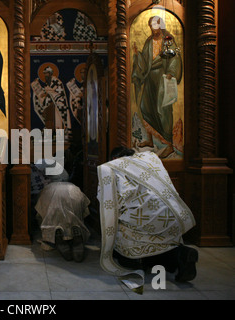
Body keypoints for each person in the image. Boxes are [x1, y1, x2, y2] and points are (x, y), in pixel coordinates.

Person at [97, 146, 197, 291]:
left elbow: (108, 204)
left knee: (120, 233)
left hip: (144, 221)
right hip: (172, 216)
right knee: (162, 243)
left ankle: (137, 261)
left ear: (114, 159)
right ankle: (180, 254)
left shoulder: (111, 169)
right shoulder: (150, 159)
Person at [131, 16, 182, 159]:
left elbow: (175, 57)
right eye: (151, 26)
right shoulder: (148, 41)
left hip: (161, 78)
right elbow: (145, 61)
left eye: (155, 25)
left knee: (162, 110)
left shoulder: (168, 40)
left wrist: (172, 72)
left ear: (160, 25)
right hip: (149, 77)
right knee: (145, 107)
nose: (153, 29)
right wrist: (137, 54)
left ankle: (169, 145)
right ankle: (150, 140)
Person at [35, 181, 91, 262]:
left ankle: (56, 235)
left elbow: (39, 215)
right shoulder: (73, 185)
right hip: (74, 192)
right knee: (77, 219)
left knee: (48, 222)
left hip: (49, 195)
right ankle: (76, 232)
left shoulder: (45, 188)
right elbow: (85, 212)